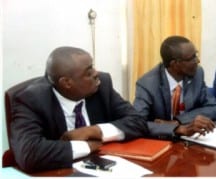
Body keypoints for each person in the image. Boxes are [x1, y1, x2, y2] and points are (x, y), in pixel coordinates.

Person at [10, 46, 149, 172]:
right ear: (66, 83)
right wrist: (85, 146)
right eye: (88, 73)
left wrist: (95, 131)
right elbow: (28, 154)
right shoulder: (31, 100)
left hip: (105, 167)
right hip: (61, 171)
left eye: (93, 67)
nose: (96, 74)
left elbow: (138, 121)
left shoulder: (102, 86)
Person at [133, 36, 216, 139]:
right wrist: (177, 129)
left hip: (192, 139)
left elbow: (215, 108)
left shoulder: (197, 73)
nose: (197, 61)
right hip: (161, 141)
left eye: (196, 55)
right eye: (191, 58)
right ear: (175, 64)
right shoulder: (147, 84)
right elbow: (136, 123)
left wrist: (179, 121)